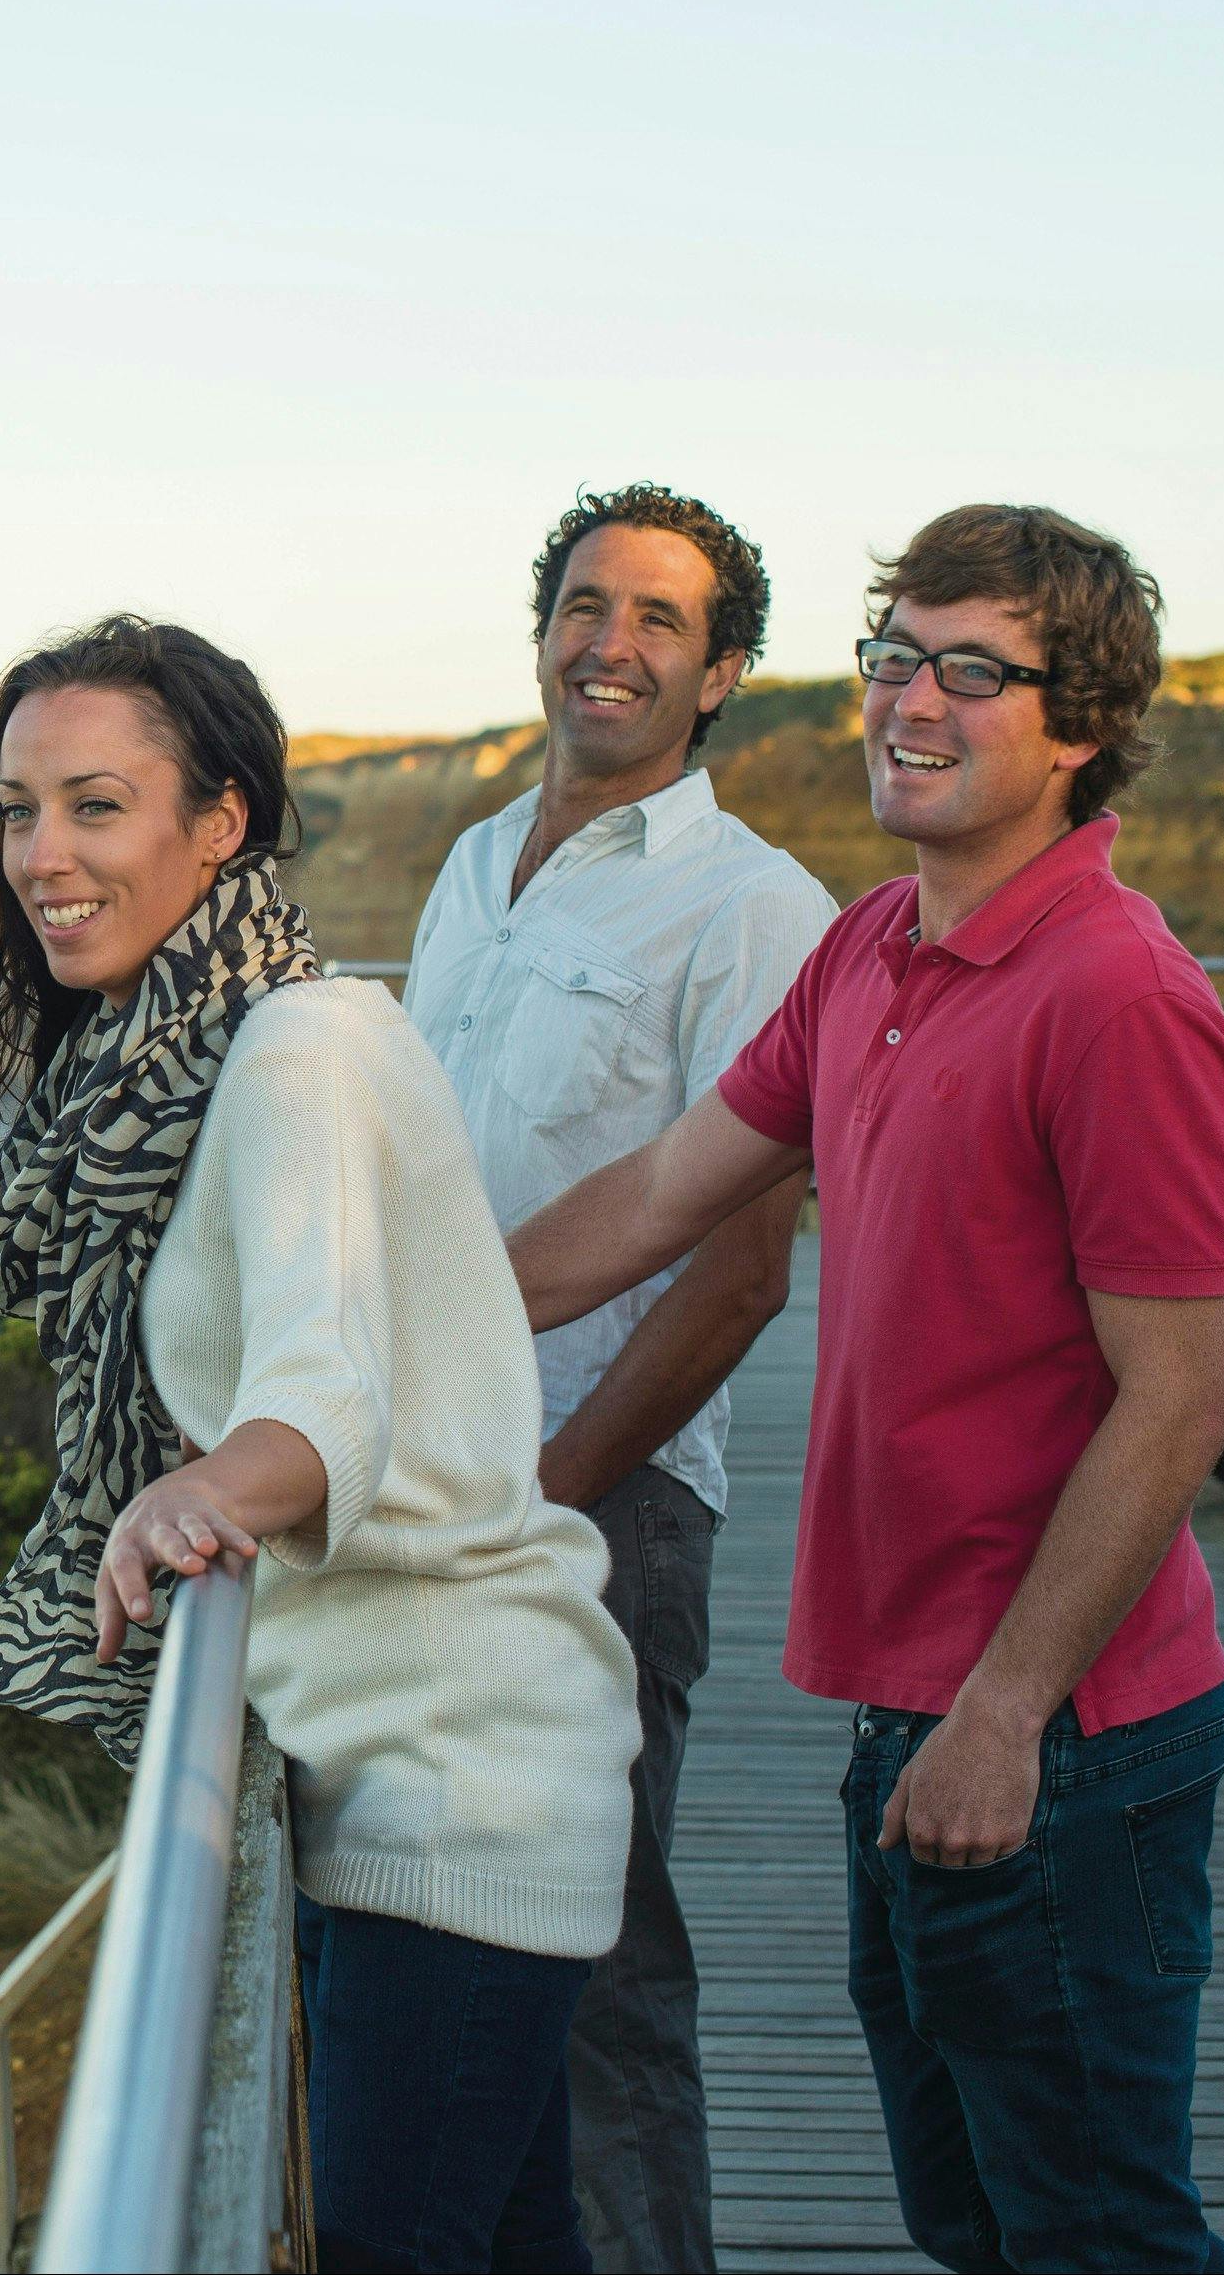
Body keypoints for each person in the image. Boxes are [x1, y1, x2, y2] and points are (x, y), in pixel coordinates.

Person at [507, 505, 1224, 2271]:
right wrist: (373, 1348)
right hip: (901, 1706)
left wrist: (1003, 1711)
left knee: (1095, 2233)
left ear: (1076, 728)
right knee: (972, 2222)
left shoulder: (1119, 994)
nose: (910, 701)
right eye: (894, 654)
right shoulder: (866, 951)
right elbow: (656, 1199)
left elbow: (1174, 1401)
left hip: (1061, 1735)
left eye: (971, 671)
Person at [0, 615, 641, 2271]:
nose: (41, 857)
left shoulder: (296, 1052)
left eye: (95, 806)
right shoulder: (196, 1048)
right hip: (411, 1768)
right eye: (17, 812)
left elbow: (324, 1391)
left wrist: (198, 1492)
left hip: (451, 1785)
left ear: (218, 822)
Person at [402, 483, 837, 2272]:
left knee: (596, 1979)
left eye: (661, 621)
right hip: (419, 1488)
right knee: (435, 1956)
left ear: (721, 670)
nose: (612, 644)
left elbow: (738, 1273)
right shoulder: (467, 862)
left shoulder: (755, 911)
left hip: (601, 1506)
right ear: (541, 630)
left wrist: (554, 1492)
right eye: (588, 604)